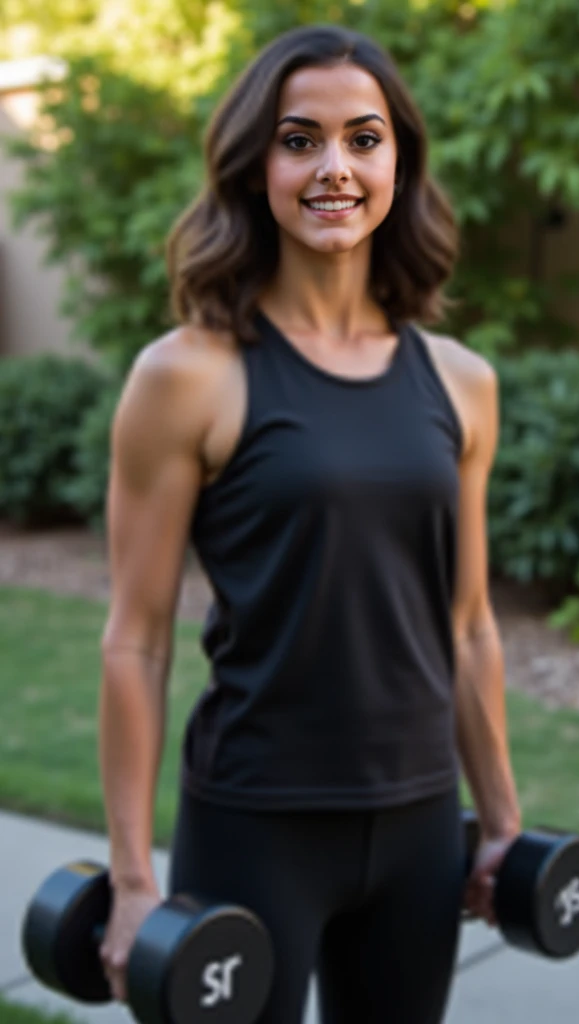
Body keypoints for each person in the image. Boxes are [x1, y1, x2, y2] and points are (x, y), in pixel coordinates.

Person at [98, 23, 521, 1024]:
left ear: (398, 164)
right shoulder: (187, 375)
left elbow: (465, 623)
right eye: (300, 139)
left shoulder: (461, 383)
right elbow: (137, 638)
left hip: (420, 824)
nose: (334, 166)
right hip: (255, 823)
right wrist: (128, 878)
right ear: (256, 166)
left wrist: (499, 819)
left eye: (363, 138)